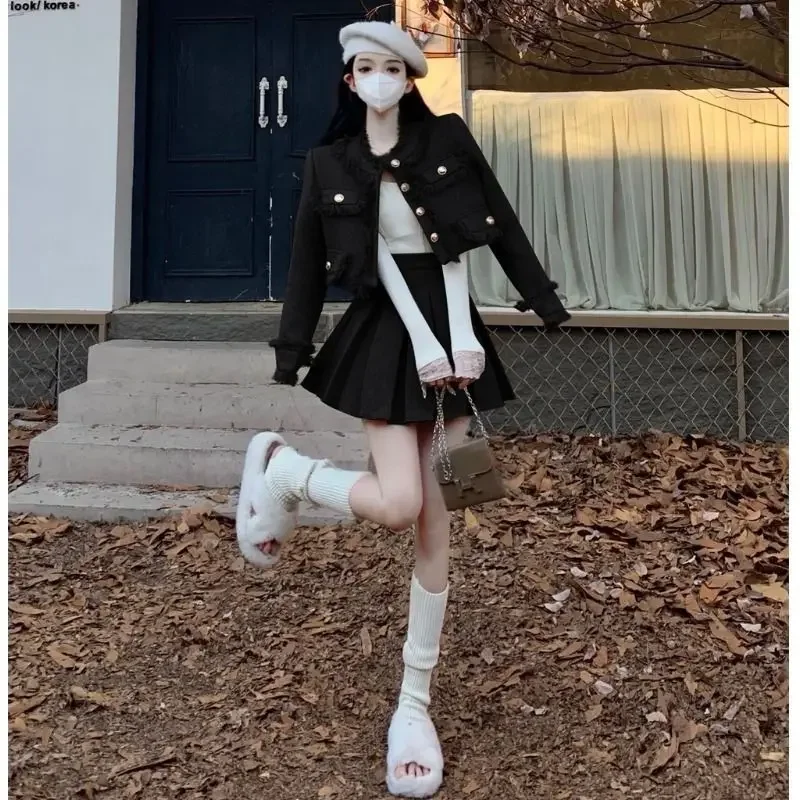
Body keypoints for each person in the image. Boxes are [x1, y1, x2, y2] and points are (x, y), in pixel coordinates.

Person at [236, 20, 570, 798]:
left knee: (437, 521)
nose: (380, 78)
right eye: (367, 67)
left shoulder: (446, 139)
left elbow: (495, 222)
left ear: (410, 78)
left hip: (456, 338)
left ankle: (413, 707)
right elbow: (306, 263)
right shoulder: (330, 162)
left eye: (393, 66)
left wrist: (541, 299)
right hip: (385, 339)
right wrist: (291, 351)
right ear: (349, 80)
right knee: (397, 504)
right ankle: (286, 472)